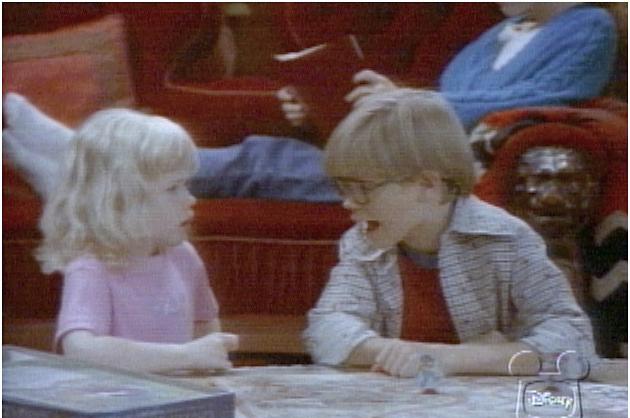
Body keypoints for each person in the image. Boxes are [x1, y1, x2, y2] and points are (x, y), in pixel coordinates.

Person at [2, 3, 617, 202]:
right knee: (266, 150)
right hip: (406, 154)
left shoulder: (588, 24)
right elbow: (445, 102)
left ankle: (85, 166)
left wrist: (406, 102)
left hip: (444, 176)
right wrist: (329, 113)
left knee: (258, 160)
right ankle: (86, 163)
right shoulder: (496, 34)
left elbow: (547, 98)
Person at [303, 88, 597, 378]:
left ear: (427, 185)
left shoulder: (506, 239)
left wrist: (454, 358)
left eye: (362, 189)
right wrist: (402, 353)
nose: (348, 203)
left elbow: (576, 342)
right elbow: (325, 329)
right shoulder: (362, 243)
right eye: (342, 188)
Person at [34, 108, 238, 374]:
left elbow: (204, 325)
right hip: (111, 399)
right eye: (172, 188)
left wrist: (211, 362)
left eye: (186, 185)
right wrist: (185, 356)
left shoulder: (183, 256)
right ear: (121, 202)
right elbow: (80, 350)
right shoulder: (92, 267)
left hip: (177, 395)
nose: (190, 199)